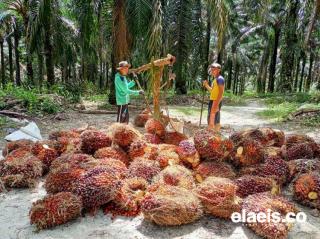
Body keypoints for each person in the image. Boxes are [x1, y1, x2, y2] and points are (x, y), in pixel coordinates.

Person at [203, 63, 225, 131]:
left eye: (214, 69)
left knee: (214, 118)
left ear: (219, 70)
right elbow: (212, 91)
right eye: (212, 69)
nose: (212, 71)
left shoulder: (220, 79)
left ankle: (215, 134)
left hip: (216, 100)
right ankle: (212, 133)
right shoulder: (215, 79)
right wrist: (206, 85)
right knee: (212, 117)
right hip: (212, 100)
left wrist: (217, 103)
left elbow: (221, 92)